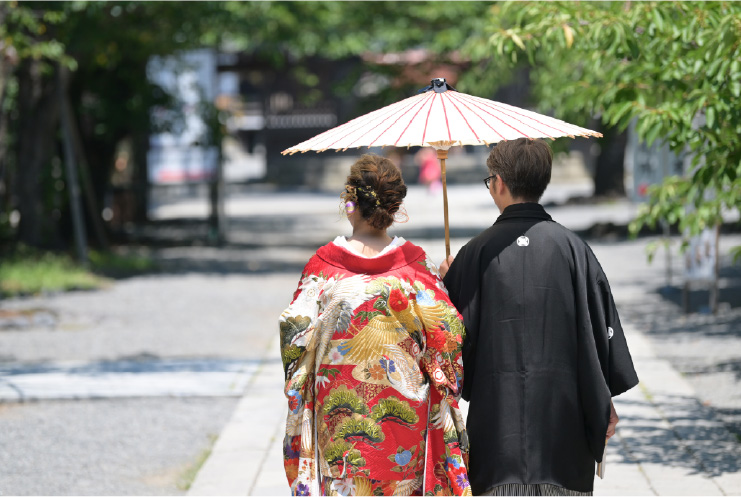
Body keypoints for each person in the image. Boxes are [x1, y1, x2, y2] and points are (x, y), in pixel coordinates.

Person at [439, 138, 639, 496]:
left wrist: (447, 286)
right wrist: (602, 397)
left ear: (498, 182)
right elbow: (601, 334)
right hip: (565, 438)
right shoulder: (575, 250)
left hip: (497, 442)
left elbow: (450, 343)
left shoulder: (475, 253)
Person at [280, 154, 471, 496]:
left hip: (337, 424)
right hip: (403, 424)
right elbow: (449, 340)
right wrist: (446, 287)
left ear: (349, 204)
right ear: (394, 209)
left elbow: (294, 337)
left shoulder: (323, 270)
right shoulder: (416, 270)